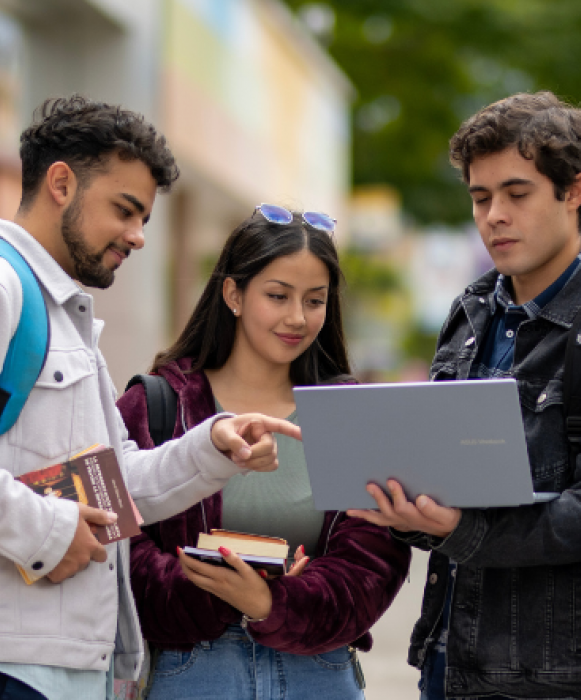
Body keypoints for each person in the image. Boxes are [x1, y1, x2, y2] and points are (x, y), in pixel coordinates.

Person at [0, 95, 299, 700]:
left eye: (144, 218)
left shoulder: (60, 314)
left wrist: (212, 448)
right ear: (61, 182)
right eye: (125, 210)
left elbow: (114, 486)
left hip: (49, 664)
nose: (138, 236)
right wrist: (42, 531)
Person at [349, 92, 581, 700]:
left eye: (516, 194)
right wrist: (403, 507)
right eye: (480, 197)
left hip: (562, 680)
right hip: (449, 663)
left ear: (576, 190)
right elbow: (441, 471)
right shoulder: (472, 310)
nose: (494, 215)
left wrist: (460, 528)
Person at [116, 206, 412, 699]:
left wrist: (273, 603)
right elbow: (114, 539)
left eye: (315, 301)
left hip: (320, 674)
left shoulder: (351, 413)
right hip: (193, 674)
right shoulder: (158, 405)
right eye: (277, 296)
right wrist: (212, 592)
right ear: (233, 293)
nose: (297, 318)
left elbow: (374, 561)